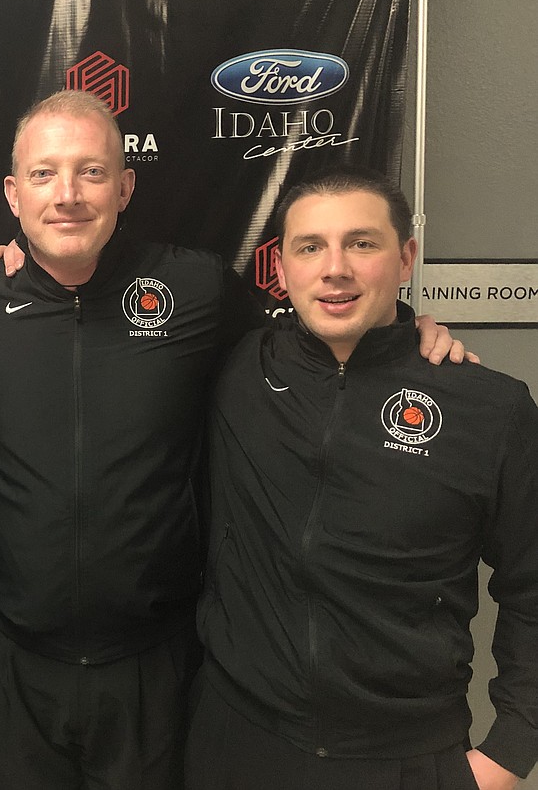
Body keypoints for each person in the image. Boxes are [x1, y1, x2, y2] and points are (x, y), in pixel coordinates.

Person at [0, 91, 467, 788]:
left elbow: (311, 344)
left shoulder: (192, 286)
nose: (67, 194)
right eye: (44, 174)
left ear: (126, 185)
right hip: (14, 653)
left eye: (91, 172)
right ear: (14, 194)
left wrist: (405, 331)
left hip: (158, 656)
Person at [188, 167, 538, 790]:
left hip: (406, 758)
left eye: (362, 243)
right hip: (237, 744)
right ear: (281, 268)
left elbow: (533, 588)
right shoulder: (236, 368)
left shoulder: (491, 410)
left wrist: (510, 752)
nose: (335, 268)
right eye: (310, 246)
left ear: (406, 258)